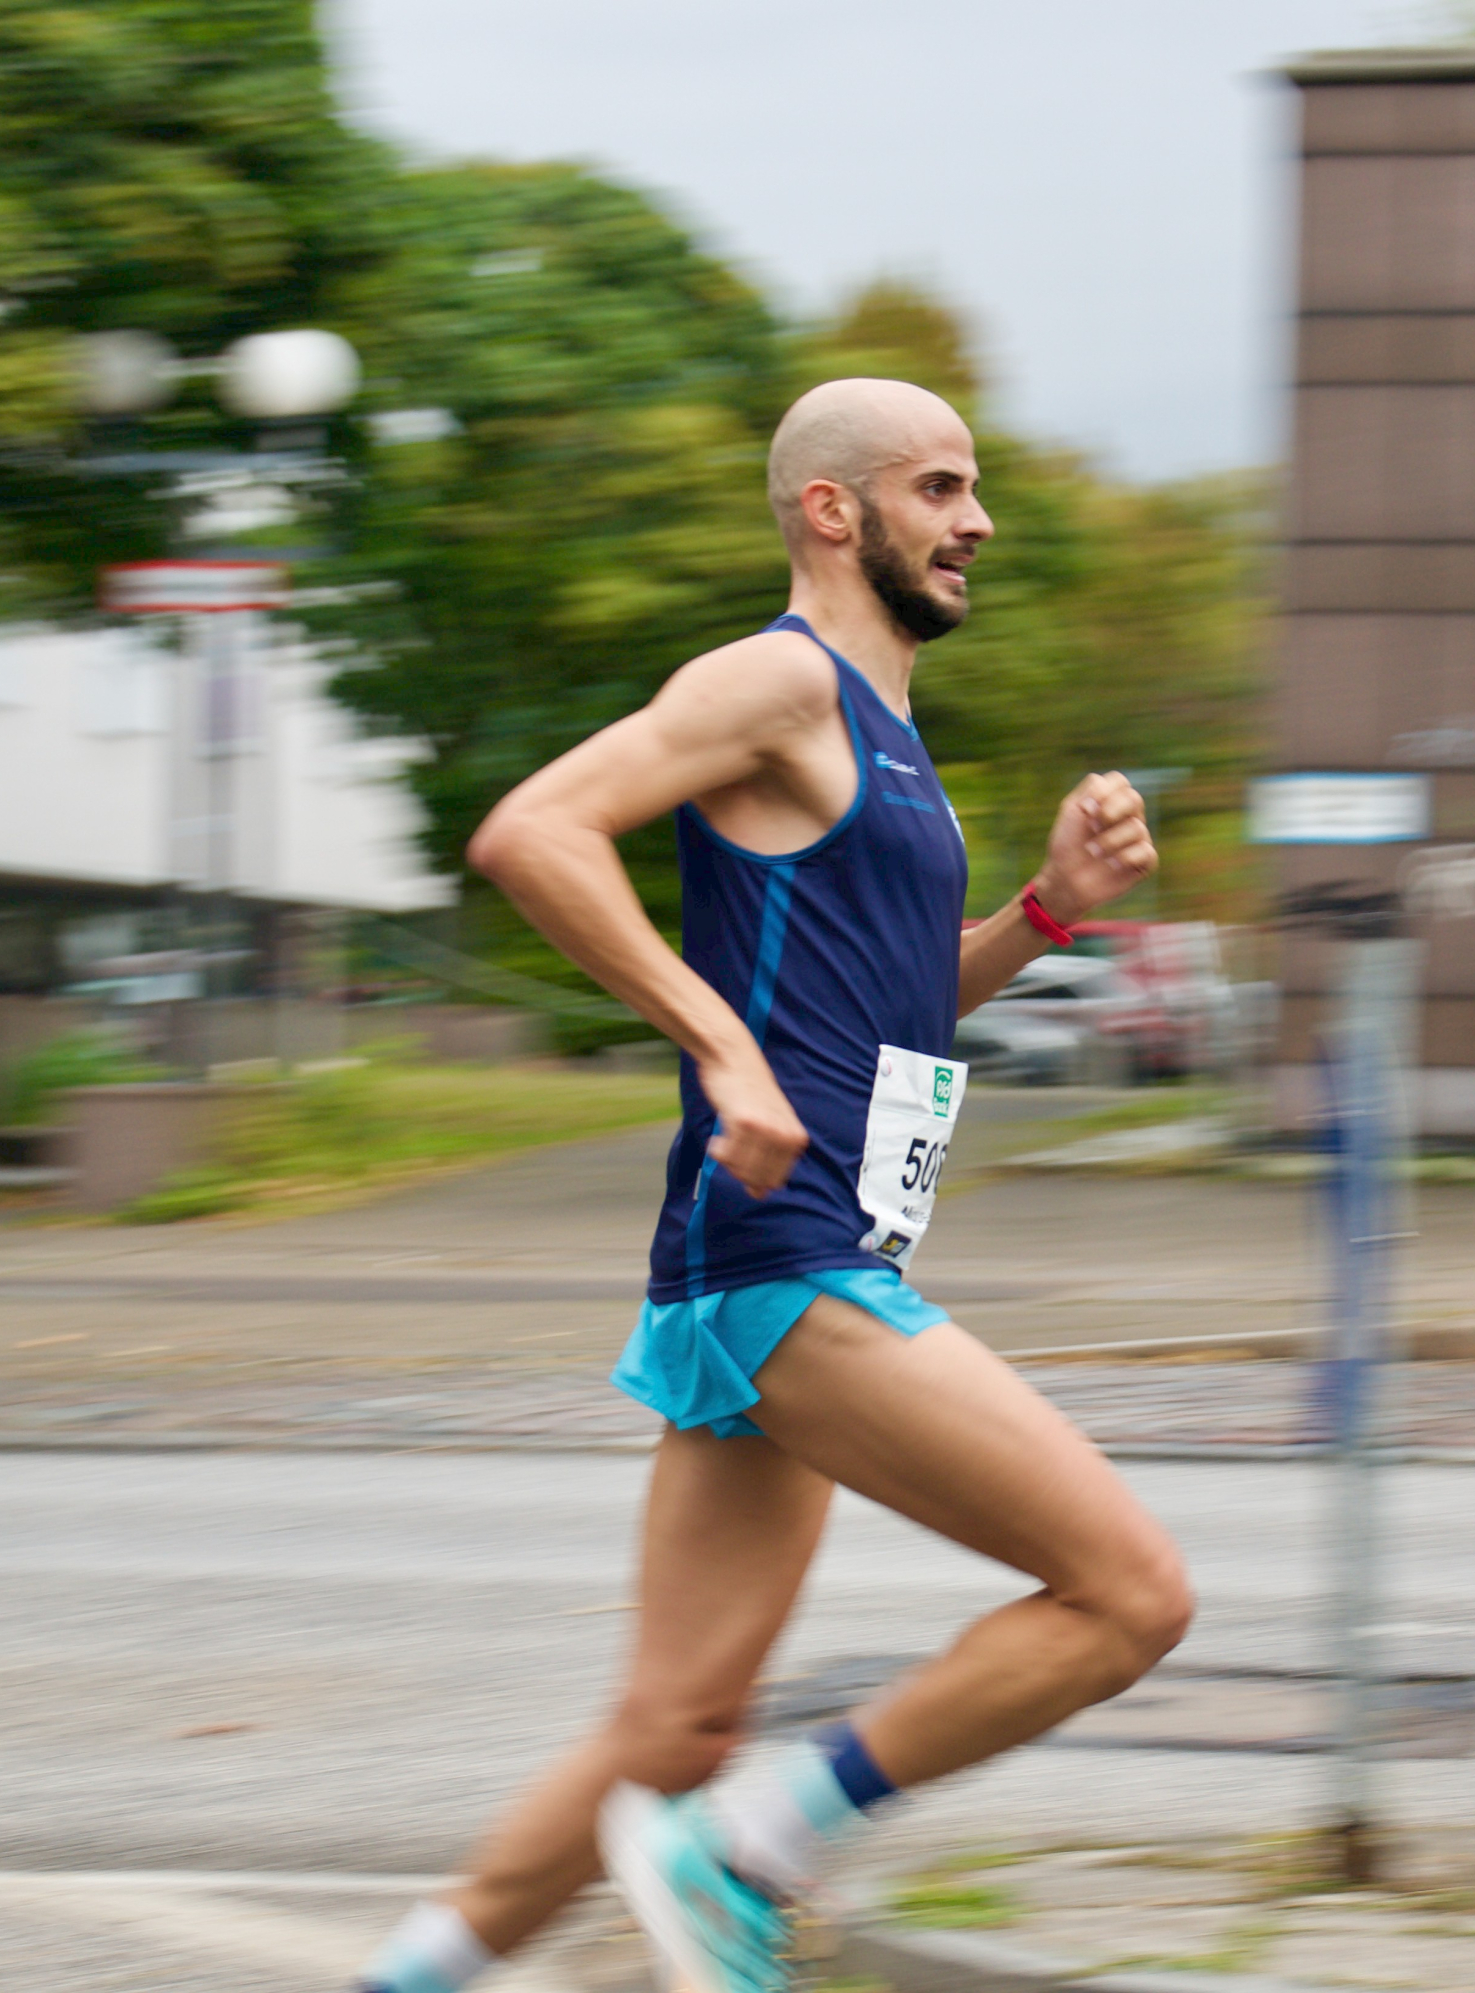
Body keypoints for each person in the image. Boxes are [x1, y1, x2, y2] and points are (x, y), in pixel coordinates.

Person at [351, 377, 1193, 1993]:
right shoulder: (775, 682)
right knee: (1129, 1593)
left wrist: (1046, 909)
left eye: (972, 490)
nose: (978, 521)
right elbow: (535, 832)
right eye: (940, 488)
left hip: (791, 1250)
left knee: (671, 1724)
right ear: (834, 509)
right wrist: (719, 1048)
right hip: (790, 1259)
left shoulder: (884, 741)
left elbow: (892, 1010)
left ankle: (405, 1978)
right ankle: (756, 1851)